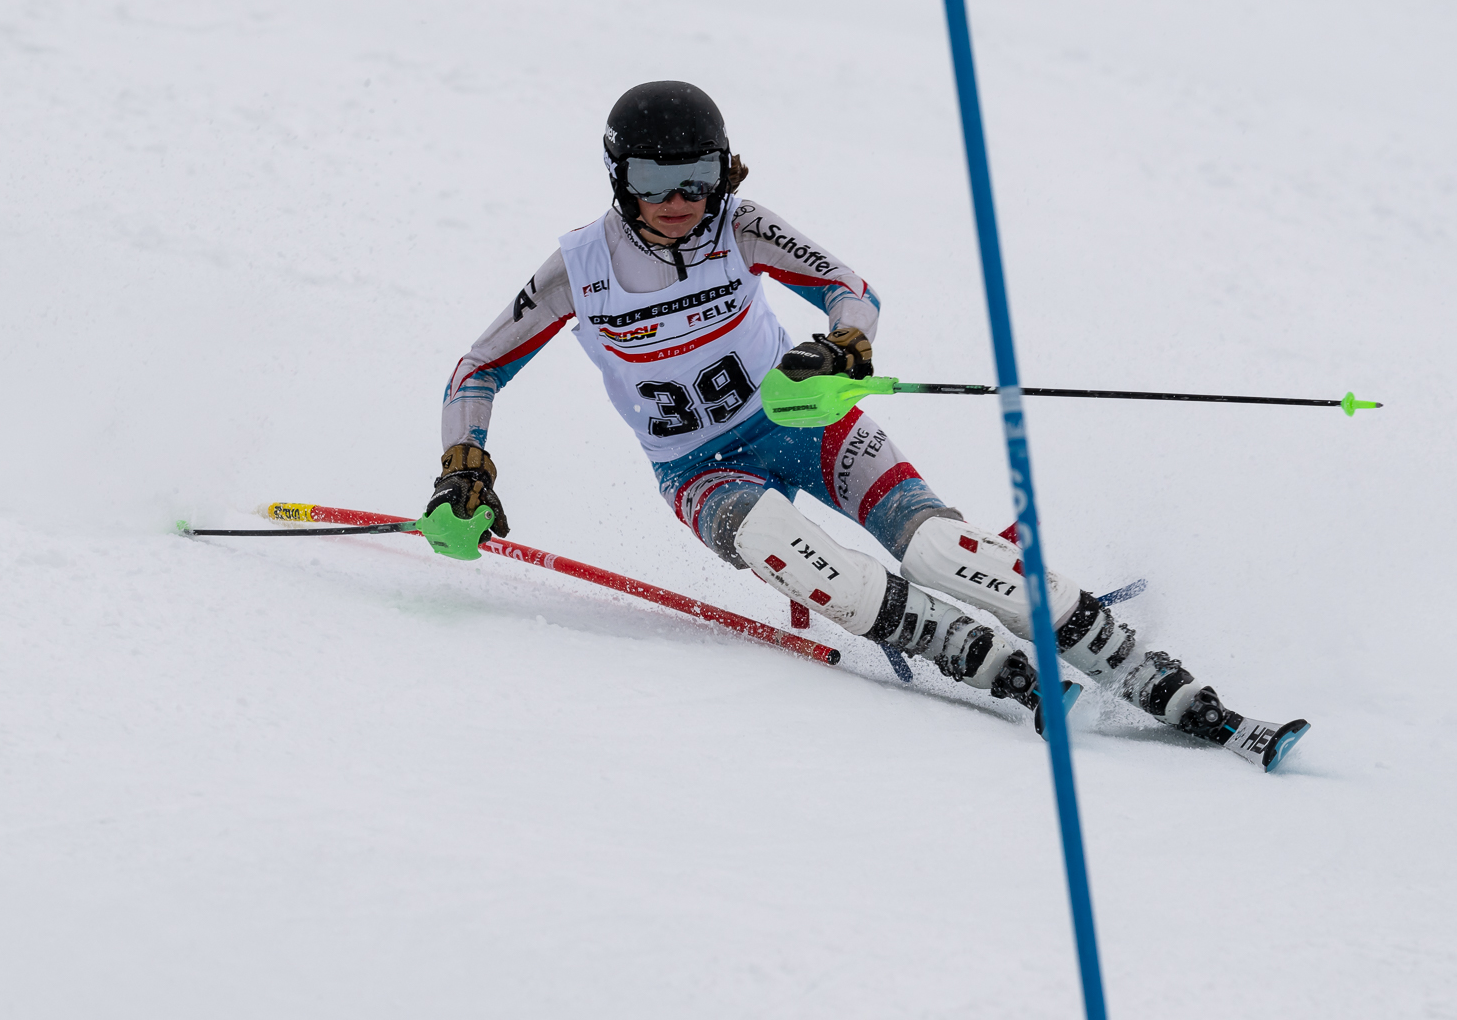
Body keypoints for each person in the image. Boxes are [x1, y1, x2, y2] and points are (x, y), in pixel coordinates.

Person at [428, 80, 1305, 767]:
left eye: (698, 174)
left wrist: (846, 344)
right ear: (619, 176)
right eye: (654, 179)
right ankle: (980, 660)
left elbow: (851, 289)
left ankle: (1154, 675)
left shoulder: (741, 225)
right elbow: (478, 368)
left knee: (941, 551)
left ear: (726, 169)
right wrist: (463, 462)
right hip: (698, 468)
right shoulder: (578, 270)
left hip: (803, 424)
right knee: (799, 554)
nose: (679, 198)